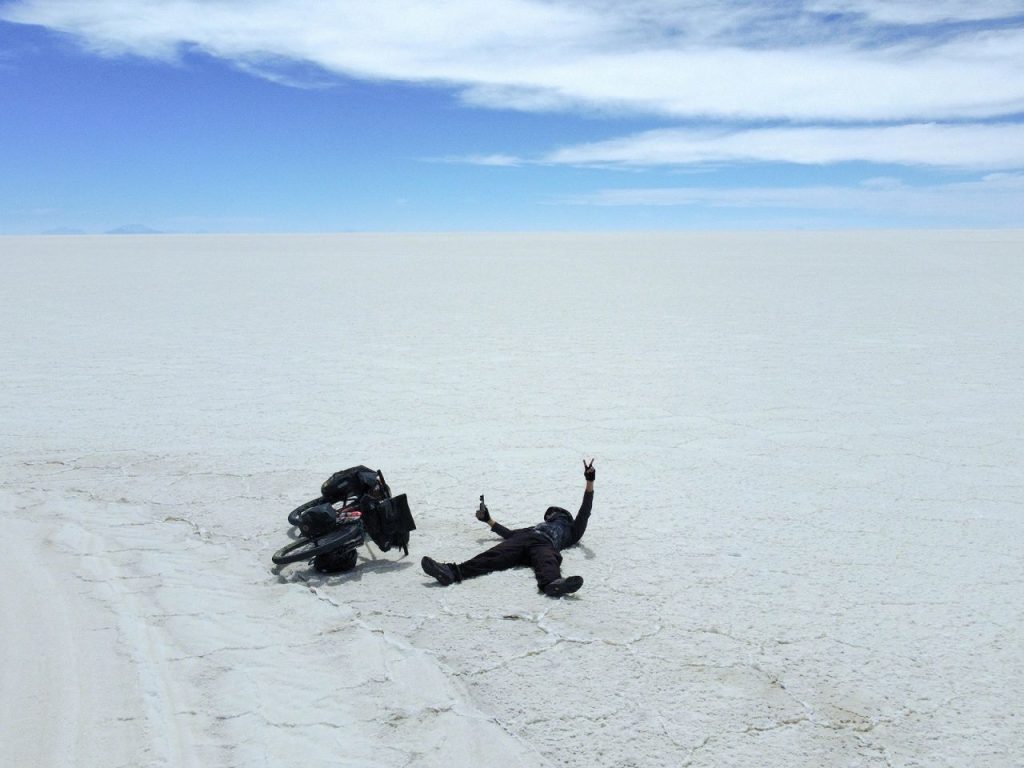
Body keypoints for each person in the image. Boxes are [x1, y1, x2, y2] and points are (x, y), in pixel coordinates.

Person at [421, 460, 595, 597]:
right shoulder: (535, 527)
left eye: (552, 513)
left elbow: (585, 511)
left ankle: (554, 584)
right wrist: (488, 520)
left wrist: (590, 481)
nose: (549, 516)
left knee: (547, 560)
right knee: (492, 557)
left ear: (563, 516)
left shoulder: (572, 531)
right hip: (523, 538)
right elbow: (510, 534)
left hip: (545, 544)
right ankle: (452, 572)